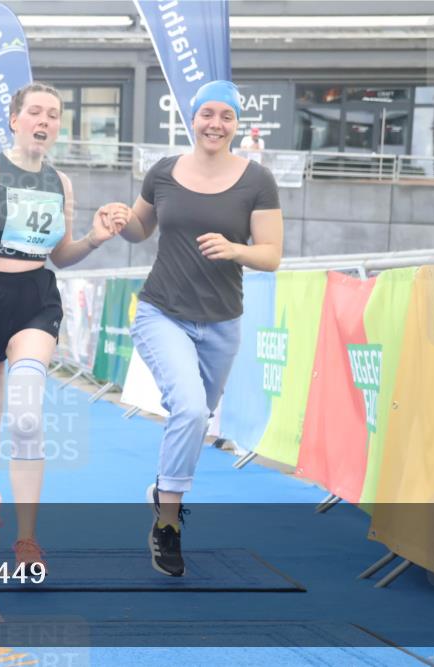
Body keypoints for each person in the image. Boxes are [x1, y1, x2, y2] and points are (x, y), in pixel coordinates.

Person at [0, 82, 129, 573]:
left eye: (54, 115)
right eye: (35, 111)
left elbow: (60, 255)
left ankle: (26, 540)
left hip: (33, 301)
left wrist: (95, 239)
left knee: (24, 415)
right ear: (15, 118)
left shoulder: (61, 182)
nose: (44, 120)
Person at [120, 80, 283, 577]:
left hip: (222, 322)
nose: (215, 123)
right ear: (192, 119)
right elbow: (139, 229)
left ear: (237, 124)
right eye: (207, 113)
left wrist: (236, 250)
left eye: (226, 116)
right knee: (189, 408)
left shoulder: (257, 180)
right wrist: (116, 219)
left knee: (197, 419)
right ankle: (168, 525)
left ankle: (163, 491)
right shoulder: (163, 172)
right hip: (161, 310)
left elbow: (271, 255)